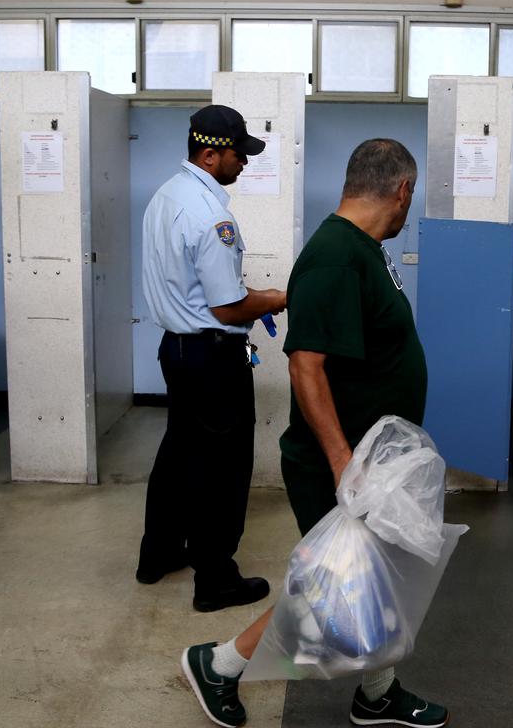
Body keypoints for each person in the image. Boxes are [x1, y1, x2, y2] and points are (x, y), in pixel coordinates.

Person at [181, 139, 450, 727]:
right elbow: (305, 364)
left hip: (365, 459)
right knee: (334, 590)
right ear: (402, 190)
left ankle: (376, 692)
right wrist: (343, 463)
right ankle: (219, 664)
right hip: (340, 464)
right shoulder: (335, 255)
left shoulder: (364, 249)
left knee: (366, 582)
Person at [137, 104, 287, 614]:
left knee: (179, 453)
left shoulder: (165, 197)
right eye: (238, 155)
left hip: (176, 351)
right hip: (211, 355)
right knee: (222, 468)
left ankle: (156, 554)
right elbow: (227, 306)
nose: (244, 164)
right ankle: (216, 579)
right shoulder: (212, 216)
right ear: (210, 153)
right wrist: (272, 298)